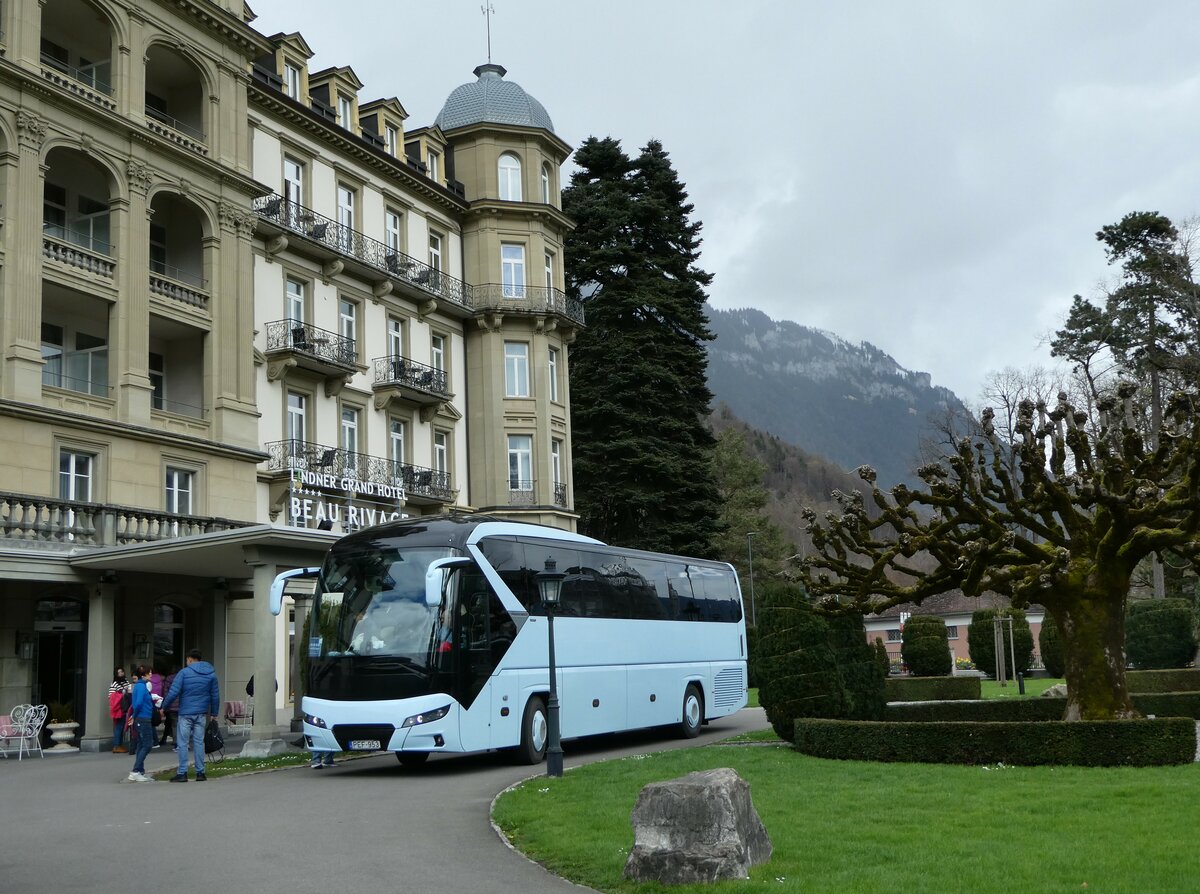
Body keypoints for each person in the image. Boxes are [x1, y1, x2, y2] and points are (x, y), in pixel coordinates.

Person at [162, 648, 220, 782]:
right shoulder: (211, 674)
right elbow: (215, 696)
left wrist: (164, 707)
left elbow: (173, 692)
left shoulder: (184, 673)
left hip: (185, 713)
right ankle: (200, 773)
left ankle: (182, 773)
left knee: (183, 743)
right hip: (201, 713)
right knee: (199, 742)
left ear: (189, 659)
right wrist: (215, 713)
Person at [127, 666, 155, 783]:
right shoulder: (142, 687)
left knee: (141, 744)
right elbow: (138, 704)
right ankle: (135, 771)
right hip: (143, 718)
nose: (151, 675)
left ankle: (140, 770)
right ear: (143, 675)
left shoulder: (138, 686)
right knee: (147, 744)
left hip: (140, 718)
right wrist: (134, 715)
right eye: (149, 673)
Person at [108, 667, 131, 753]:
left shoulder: (126, 682)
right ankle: (117, 745)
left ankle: (120, 745)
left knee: (122, 727)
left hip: (126, 708)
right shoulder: (114, 684)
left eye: (122, 671)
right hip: (119, 708)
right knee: (119, 727)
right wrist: (122, 693)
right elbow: (111, 697)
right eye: (119, 672)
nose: (121, 673)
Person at [159, 665, 178, 747]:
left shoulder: (168, 679)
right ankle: (179, 742)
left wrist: (164, 706)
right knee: (181, 724)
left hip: (172, 705)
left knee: (172, 724)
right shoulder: (183, 677)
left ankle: (175, 741)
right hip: (182, 705)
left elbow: (166, 693)